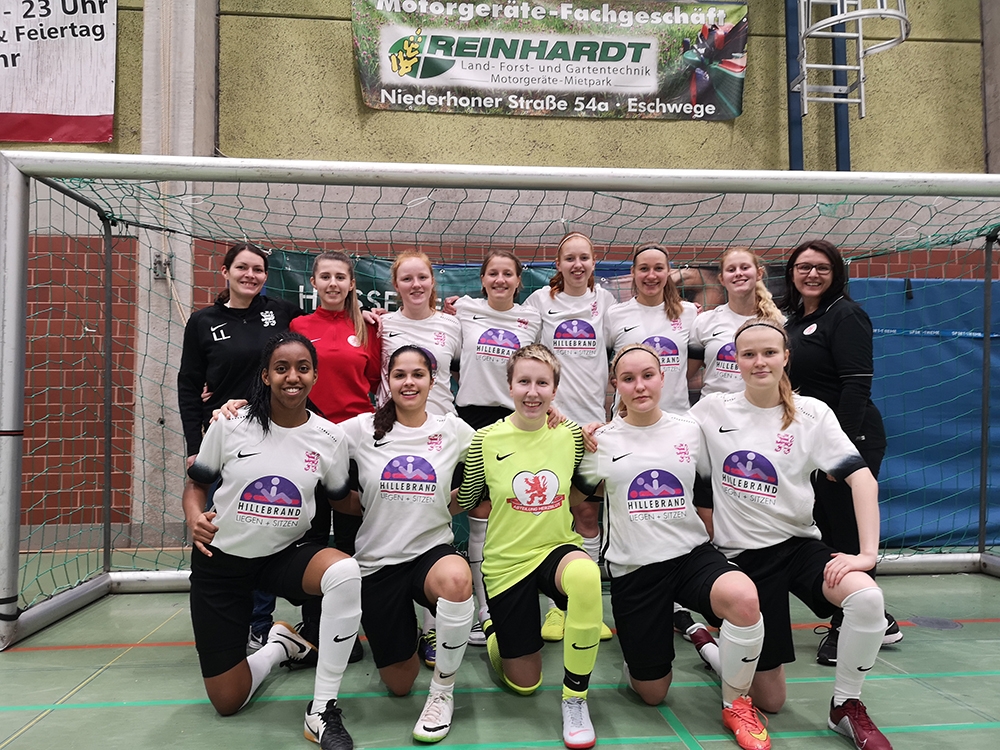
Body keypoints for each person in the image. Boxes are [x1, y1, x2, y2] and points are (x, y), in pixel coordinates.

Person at [691, 319, 894, 750]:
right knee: (772, 701)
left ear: (786, 357)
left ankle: (846, 705)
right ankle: (709, 645)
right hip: (743, 558)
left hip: (799, 547)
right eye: (748, 354)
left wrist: (866, 555)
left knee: (867, 598)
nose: (759, 362)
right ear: (735, 361)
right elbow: (658, 433)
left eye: (769, 352)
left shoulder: (812, 413)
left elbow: (862, 479)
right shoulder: (712, 410)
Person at [574, 344, 769, 750]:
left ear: (663, 378)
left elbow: (708, 487)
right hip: (635, 569)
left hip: (690, 556)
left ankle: (736, 704)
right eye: (628, 378)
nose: (639, 386)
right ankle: (691, 641)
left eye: (648, 375)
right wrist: (581, 440)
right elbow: (580, 500)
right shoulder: (601, 441)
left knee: (744, 597)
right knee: (652, 693)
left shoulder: (690, 429)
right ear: (616, 384)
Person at [183, 332, 361, 750]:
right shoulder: (230, 424)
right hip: (222, 560)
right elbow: (196, 485)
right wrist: (194, 518)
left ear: (315, 376)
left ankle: (322, 710)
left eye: (302, 368)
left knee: (344, 571)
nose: (292, 377)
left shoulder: (330, 438)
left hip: (284, 555)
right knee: (228, 701)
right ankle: (280, 646)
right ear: (265, 376)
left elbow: (343, 501)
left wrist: (407, 496)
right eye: (281, 368)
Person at [457, 344, 604, 750]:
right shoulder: (484, 440)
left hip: (556, 548)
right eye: (524, 381)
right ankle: (494, 631)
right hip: (507, 563)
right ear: (509, 386)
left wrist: (594, 434)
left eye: (542, 383)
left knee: (586, 576)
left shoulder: (570, 435)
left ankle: (575, 700)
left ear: (555, 390)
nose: (533, 392)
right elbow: (469, 500)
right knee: (524, 683)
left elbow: (580, 485)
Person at [336, 346, 475, 743]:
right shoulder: (360, 429)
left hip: (431, 553)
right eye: (400, 375)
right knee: (399, 684)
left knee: (456, 579)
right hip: (377, 563)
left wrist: (554, 416)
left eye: (418, 374)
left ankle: (442, 693)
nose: (409, 382)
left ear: (433, 381)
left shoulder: (453, 430)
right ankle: (409, 634)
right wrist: (238, 410)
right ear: (388, 381)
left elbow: (506, 442)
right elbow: (305, 434)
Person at [781, 240, 900, 666]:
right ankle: (877, 618)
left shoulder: (846, 315)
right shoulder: (796, 320)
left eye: (822, 267)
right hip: (812, 443)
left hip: (851, 440)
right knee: (827, 532)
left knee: (848, 535)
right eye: (803, 267)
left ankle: (848, 625)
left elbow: (856, 385)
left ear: (836, 274)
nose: (812, 274)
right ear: (791, 272)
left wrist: (842, 452)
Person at [177, 242, 301, 650]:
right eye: (242, 267)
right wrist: (194, 443)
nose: (251, 275)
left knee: (264, 523)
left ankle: (259, 624)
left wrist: (369, 316)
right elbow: (189, 384)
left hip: (274, 435)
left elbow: (326, 326)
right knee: (223, 529)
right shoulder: (203, 321)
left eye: (258, 269)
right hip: (224, 437)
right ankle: (225, 617)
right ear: (225, 271)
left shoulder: (282, 313)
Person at [289, 250, 381, 664]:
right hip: (309, 441)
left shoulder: (367, 328)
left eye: (340, 277)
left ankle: (352, 628)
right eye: (325, 276)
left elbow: (374, 381)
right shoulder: (299, 326)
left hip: (355, 446)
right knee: (310, 535)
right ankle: (314, 628)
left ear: (351, 284)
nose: (332, 283)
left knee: (351, 537)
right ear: (313, 283)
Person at [524, 232, 615, 642]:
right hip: (551, 426)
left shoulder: (606, 303)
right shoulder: (540, 301)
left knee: (588, 517)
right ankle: (555, 609)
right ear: (558, 264)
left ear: (594, 262)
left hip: (594, 429)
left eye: (584, 258)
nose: (577, 265)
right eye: (569, 258)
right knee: (550, 515)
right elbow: (525, 354)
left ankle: (585, 607)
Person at [376, 250, 463, 666]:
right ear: (396, 285)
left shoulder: (453, 323)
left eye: (422, 277)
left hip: (442, 438)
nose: (415, 285)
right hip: (394, 438)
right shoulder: (381, 325)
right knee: (397, 524)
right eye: (407, 278)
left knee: (435, 526)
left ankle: (433, 626)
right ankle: (395, 619)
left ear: (432, 282)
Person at [451, 250, 543, 644]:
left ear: (519, 281)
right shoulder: (463, 310)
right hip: (471, 420)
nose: (500, 280)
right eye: (493, 273)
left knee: (513, 513)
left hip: (516, 422)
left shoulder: (532, 318)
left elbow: (539, 371)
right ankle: (481, 610)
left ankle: (507, 605)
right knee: (478, 512)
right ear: (483, 280)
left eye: (508, 274)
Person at [689, 248, 783, 398]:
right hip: (715, 410)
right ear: (722, 279)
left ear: (759, 273)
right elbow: (686, 375)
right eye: (731, 270)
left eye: (745, 268)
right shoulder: (704, 321)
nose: (738, 273)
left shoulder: (778, 322)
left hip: (759, 408)